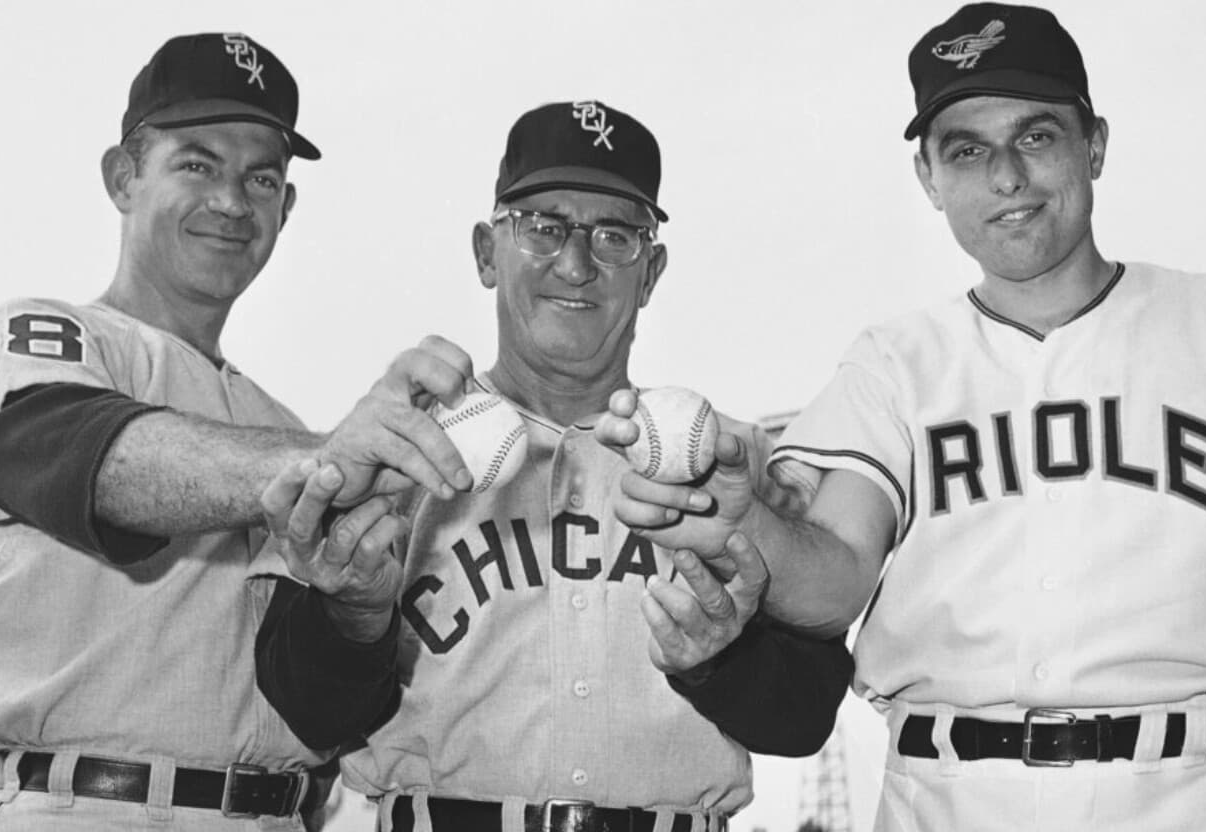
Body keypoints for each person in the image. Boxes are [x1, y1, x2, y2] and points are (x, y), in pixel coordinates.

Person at [598, 4, 1206, 830]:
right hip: (949, 798)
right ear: (929, 179)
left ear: (1094, 145)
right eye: (967, 150)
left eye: (1036, 136)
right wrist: (744, 519)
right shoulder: (893, 365)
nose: (1006, 177)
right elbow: (833, 584)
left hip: (1195, 795)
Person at [0, 32, 473, 831]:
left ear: (285, 209)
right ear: (123, 176)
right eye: (197, 165)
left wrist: (357, 610)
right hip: (81, 807)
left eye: (261, 178)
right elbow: (99, 464)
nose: (232, 202)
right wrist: (324, 460)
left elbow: (319, 709)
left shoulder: (278, 428)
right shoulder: (43, 340)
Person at [253, 100, 853, 832]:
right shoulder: (394, 443)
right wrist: (352, 614)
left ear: (651, 272)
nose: (575, 264)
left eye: (615, 236)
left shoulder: (731, 464)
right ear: (486, 252)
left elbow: (806, 719)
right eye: (542, 227)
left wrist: (717, 661)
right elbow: (306, 713)